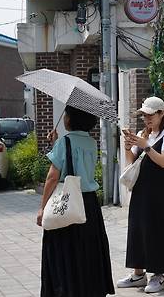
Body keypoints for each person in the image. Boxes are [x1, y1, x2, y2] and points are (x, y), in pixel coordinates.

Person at [38, 105, 115, 297]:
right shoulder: (91, 142)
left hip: (67, 201)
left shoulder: (65, 142)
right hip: (89, 204)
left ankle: (66, 290)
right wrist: (57, 143)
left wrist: (42, 207)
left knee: (64, 251)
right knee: (86, 251)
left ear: (71, 120)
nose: (64, 118)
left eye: (66, 114)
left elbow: (53, 177)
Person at [118, 96, 164, 293]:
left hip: (158, 193)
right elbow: (131, 163)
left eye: (150, 115)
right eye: (144, 115)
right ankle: (138, 274)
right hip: (140, 190)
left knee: (157, 230)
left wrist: (146, 146)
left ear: (161, 114)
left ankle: (158, 275)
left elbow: (163, 162)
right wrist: (128, 147)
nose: (147, 119)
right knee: (137, 230)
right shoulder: (142, 135)